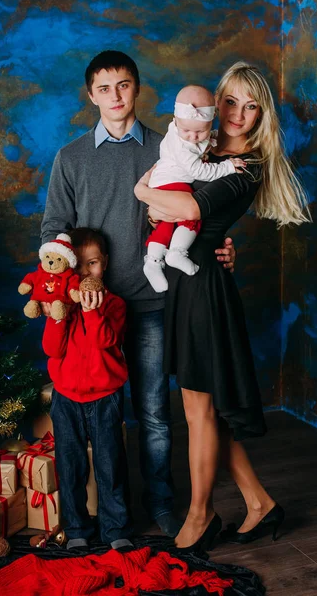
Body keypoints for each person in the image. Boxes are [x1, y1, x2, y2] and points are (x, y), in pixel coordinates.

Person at [41, 50, 236, 538]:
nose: (115, 96)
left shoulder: (168, 148)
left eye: (124, 85)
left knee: (153, 413)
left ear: (138, 89)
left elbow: (201, 210)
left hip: (150, 304)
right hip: (92, 312)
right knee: (103, 417)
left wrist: (222, 247)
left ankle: (163, 504)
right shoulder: (70, 158)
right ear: (91, 95)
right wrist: (67, 286)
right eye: (104, 88)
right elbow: (54, 228)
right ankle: (112, 515)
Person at [134, 61, 311, 551]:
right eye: (231, 101)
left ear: (261, 117)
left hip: (204, 287)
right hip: (187, 280)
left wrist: (144, 192)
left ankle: (199, 515)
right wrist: (161, 205)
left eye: (251, 107)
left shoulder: (246, 166)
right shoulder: (199, 145)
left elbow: (186, 209)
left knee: (199, 410)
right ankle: (259, 503)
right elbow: (170, 212)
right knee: (206, 410)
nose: (239, 113)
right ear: (216, 103)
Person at [42, 228, 133, 552]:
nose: (85, 272)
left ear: (104, 263)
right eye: (78, 265)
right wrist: (57, 317)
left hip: (105, 397)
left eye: (92, 263)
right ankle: (77, 527)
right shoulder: (61, 306)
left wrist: (93, 312)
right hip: (67, 398)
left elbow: (106, 341)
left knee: (110, 464)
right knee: (70, 466)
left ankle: (115, 527)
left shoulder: (115, 305)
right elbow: (52, 350)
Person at [145, 84, 245, 293]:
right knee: (190, 217)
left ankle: (153, 261)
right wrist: (227, 166)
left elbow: (204, 137)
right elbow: (200, 172)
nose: (192, 136)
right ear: (175, 121)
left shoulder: (183, 129)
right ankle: (177, 253)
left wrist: (212, 138)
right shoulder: (182, 147)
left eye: (201, 131)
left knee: (167, 224)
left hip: (160, 182)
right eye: (187, 131)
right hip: (172, 183)